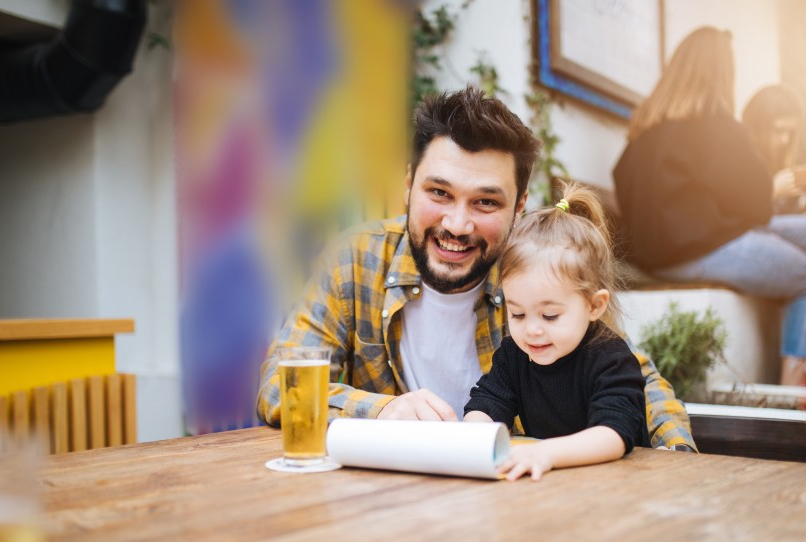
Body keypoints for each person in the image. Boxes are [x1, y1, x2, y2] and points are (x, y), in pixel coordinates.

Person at [257, 87, 696, 450]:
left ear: (519, 206)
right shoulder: (354, 262)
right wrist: (382, 410)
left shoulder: (536, 270)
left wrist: (679, 465)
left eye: (485, 201)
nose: (457, 225)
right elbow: (281, 383)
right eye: (439, 193)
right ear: (409, 186)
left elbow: (638, 384)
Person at [612, 27, 806, 385]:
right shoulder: (714, 125)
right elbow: (755, 204)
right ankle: (792, 396)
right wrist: (773, 187)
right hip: (699, 248)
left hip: (661, 252)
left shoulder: (641, 138)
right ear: (722, 74)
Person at [463, 183, 647, 481]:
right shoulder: (514, 355)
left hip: (616, 489)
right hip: (551, 488)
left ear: (594, 305)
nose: (532, 330)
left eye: (550, 315)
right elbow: (486, 403)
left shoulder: (611, 359)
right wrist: (474, 437)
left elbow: (613, 434)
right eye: (518, 313)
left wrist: (546, 453)